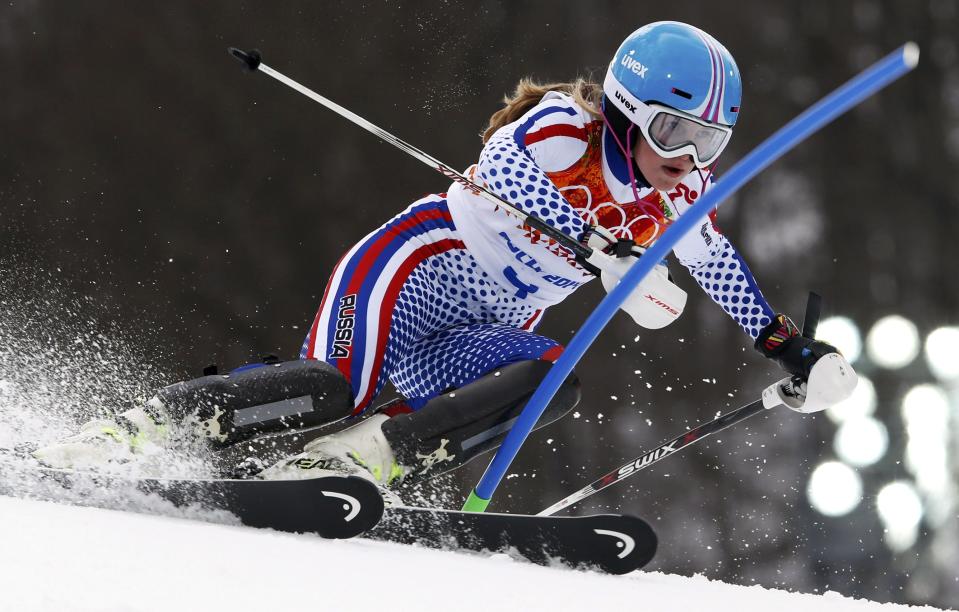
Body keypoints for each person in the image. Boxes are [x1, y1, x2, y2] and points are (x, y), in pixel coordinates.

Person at [35, 21, 844, 495]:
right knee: (333, 387)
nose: (689, 157)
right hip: (418, 269)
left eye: (710, 142)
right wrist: (606, 247)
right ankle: (133, 431)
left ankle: (350, 464)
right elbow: (503, 166)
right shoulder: (567, 125)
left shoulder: (675, 196)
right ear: (629, 113)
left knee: (549, 380)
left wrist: (787, 348)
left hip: (489, 324)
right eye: (676, 133)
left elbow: (717, 265)